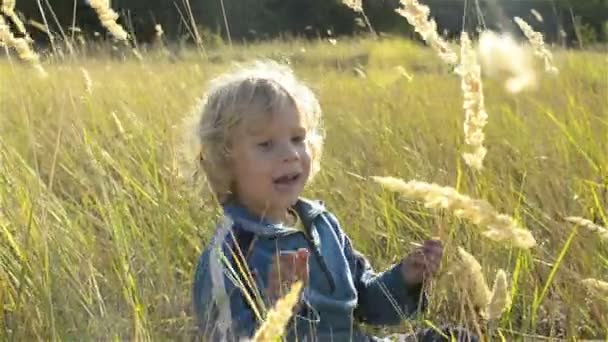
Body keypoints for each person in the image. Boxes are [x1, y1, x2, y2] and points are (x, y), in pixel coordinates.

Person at [191, 60, 477, 342]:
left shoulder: (321, 224)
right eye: (266, 144)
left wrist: (405, 277)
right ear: (224, 161)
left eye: (297, 138)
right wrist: (275, 309)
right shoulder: (229, 256)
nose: (290, 153)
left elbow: (367, 305)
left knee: (455, 339)